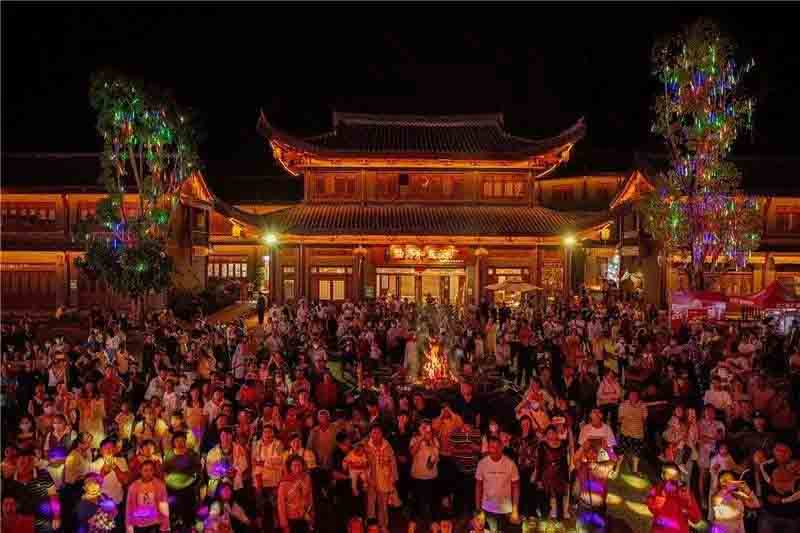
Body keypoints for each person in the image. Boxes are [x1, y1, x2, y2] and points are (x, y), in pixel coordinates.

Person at [475, 435, 520, 532]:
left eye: (497, 447)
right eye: (491, 447)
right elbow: (478, 486)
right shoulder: (482, 464)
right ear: (488, 448)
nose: (494, 450)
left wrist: (515, 509)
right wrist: (478, 509)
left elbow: (516, 487)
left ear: (502, 447)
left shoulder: (510, 464)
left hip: (506, 510)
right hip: (487, 509)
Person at [647, 463, 701, 533]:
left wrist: (687, 509)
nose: (671, 478)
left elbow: (696, 519)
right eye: (668, 474)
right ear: (662, 475)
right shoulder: (657, 490)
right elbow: (652, 508)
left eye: (674, 476)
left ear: (679, 477)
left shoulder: (686, 494)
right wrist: (663, 494)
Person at [125, 460, 170, 533]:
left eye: (151, 470)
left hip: (155, 522)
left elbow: (164, 507)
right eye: (145, 470)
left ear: (154, 471)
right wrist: (129, 528)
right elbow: (129, 508)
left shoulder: (160, 485)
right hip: (139, 523)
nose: (148, 473)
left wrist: (165, 526)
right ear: (140, 471)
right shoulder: (133, 487)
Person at [277, 455, 314, 533]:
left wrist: (312, 514)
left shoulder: (306, 478)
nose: (297, 468)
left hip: (305, 516)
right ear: (290, 467)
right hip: (291, 518)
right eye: (294, 465)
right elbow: (281, 504)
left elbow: (310, 497)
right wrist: (284, 523)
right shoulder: (284, 482)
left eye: (299, 465)